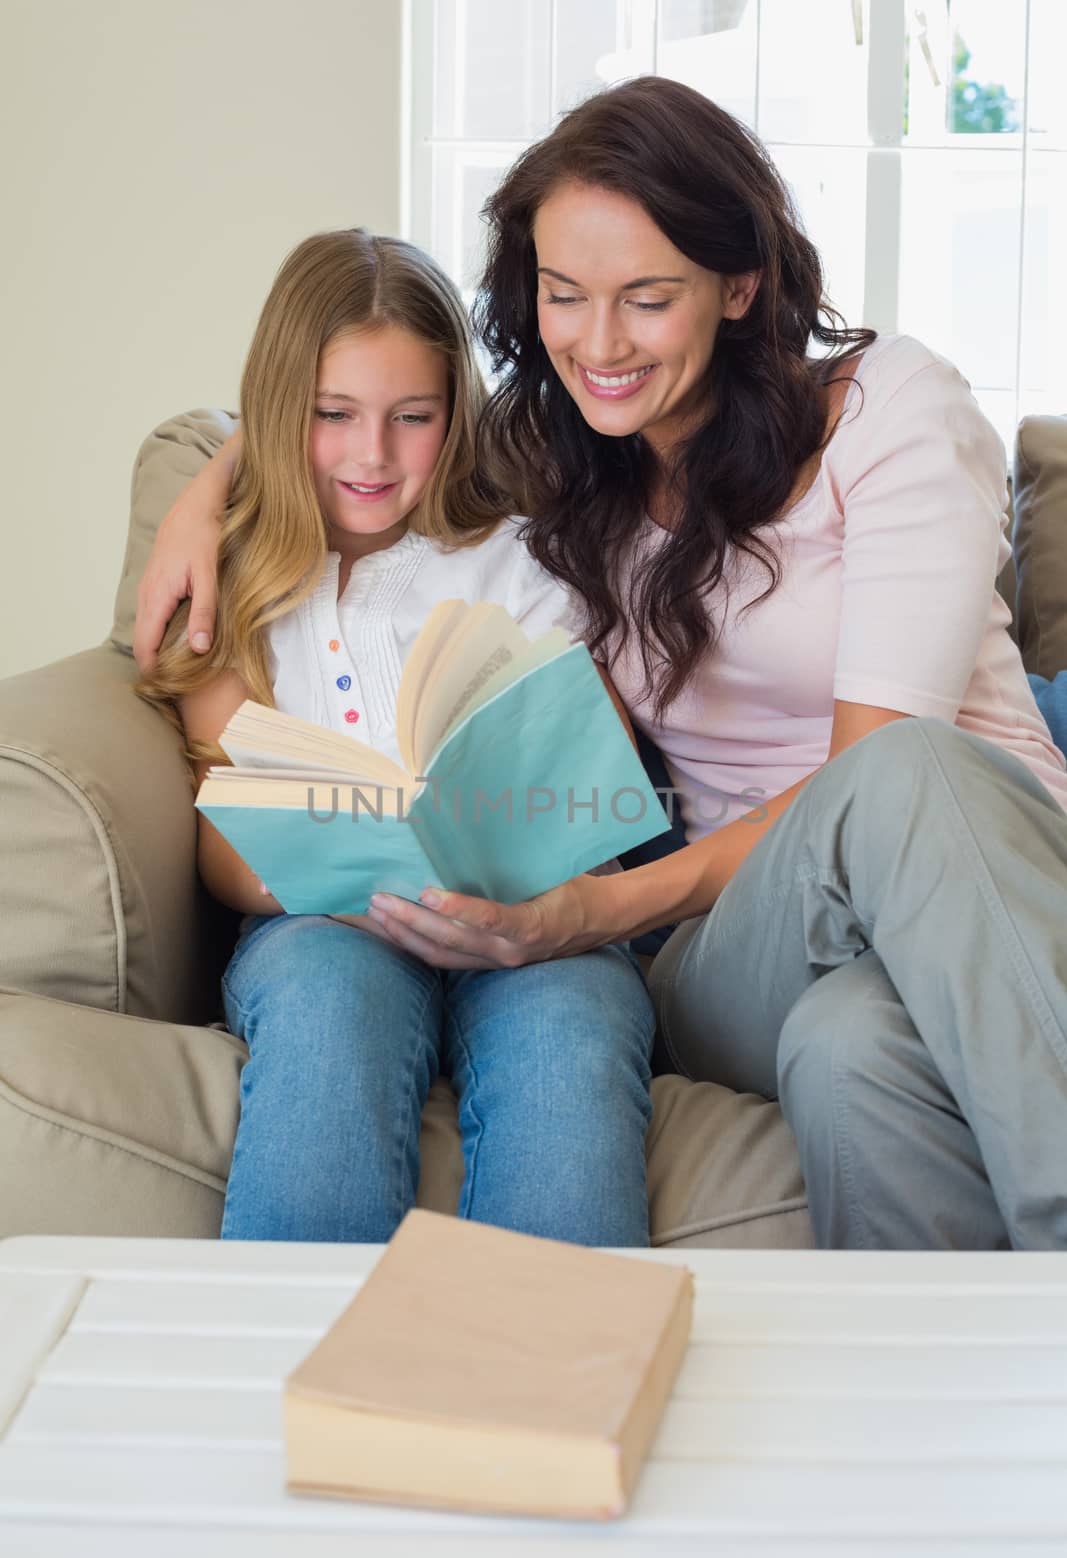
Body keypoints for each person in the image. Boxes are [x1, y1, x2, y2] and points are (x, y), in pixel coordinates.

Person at [135, 80, 1067, 1251]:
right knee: (859, 878)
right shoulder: (569, 458)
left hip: (966, 875)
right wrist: (203, 492)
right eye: (563, 296)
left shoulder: (895, 413)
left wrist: (588, 913)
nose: (599, 342)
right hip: (744, 933)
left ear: (740, 287)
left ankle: (945, 1407)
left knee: (850, 1047)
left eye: (646, 297)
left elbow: (874, 770)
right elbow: (348, 430)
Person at [136, 227, 656, 1247]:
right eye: (332, 416)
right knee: (328, 1012)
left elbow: (593, 764)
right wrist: (355, 867)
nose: (371, 454)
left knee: (571, 1037)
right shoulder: (236, 583)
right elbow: (229, 845)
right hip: (324, 925)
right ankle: (298, 1367)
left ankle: (551, 1383)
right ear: (285, 414)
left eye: (410, 418)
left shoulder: (513, 558)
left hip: (532, 917)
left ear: (452, 416)